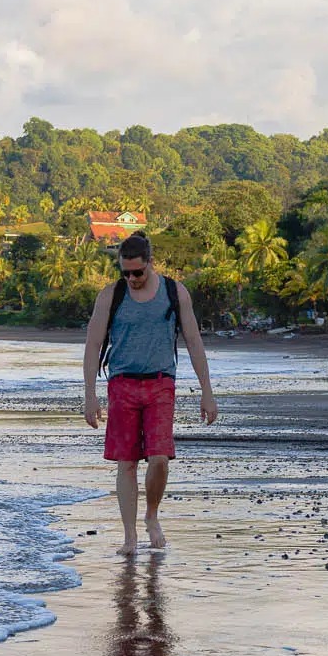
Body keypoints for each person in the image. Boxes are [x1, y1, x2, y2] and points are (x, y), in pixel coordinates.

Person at [83, 233, 218, 555]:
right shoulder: (110, 296)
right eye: (125, 273)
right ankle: (130, 536)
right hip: (122, 386)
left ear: (150, 263)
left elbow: (194, 342)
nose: (131, 279)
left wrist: (207, 392)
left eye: (137, 273)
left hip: (161, 383)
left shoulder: (174, 292)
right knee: (126, 463)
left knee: (159, 459)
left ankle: (152, 516)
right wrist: (90, 395)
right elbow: (92, 346)